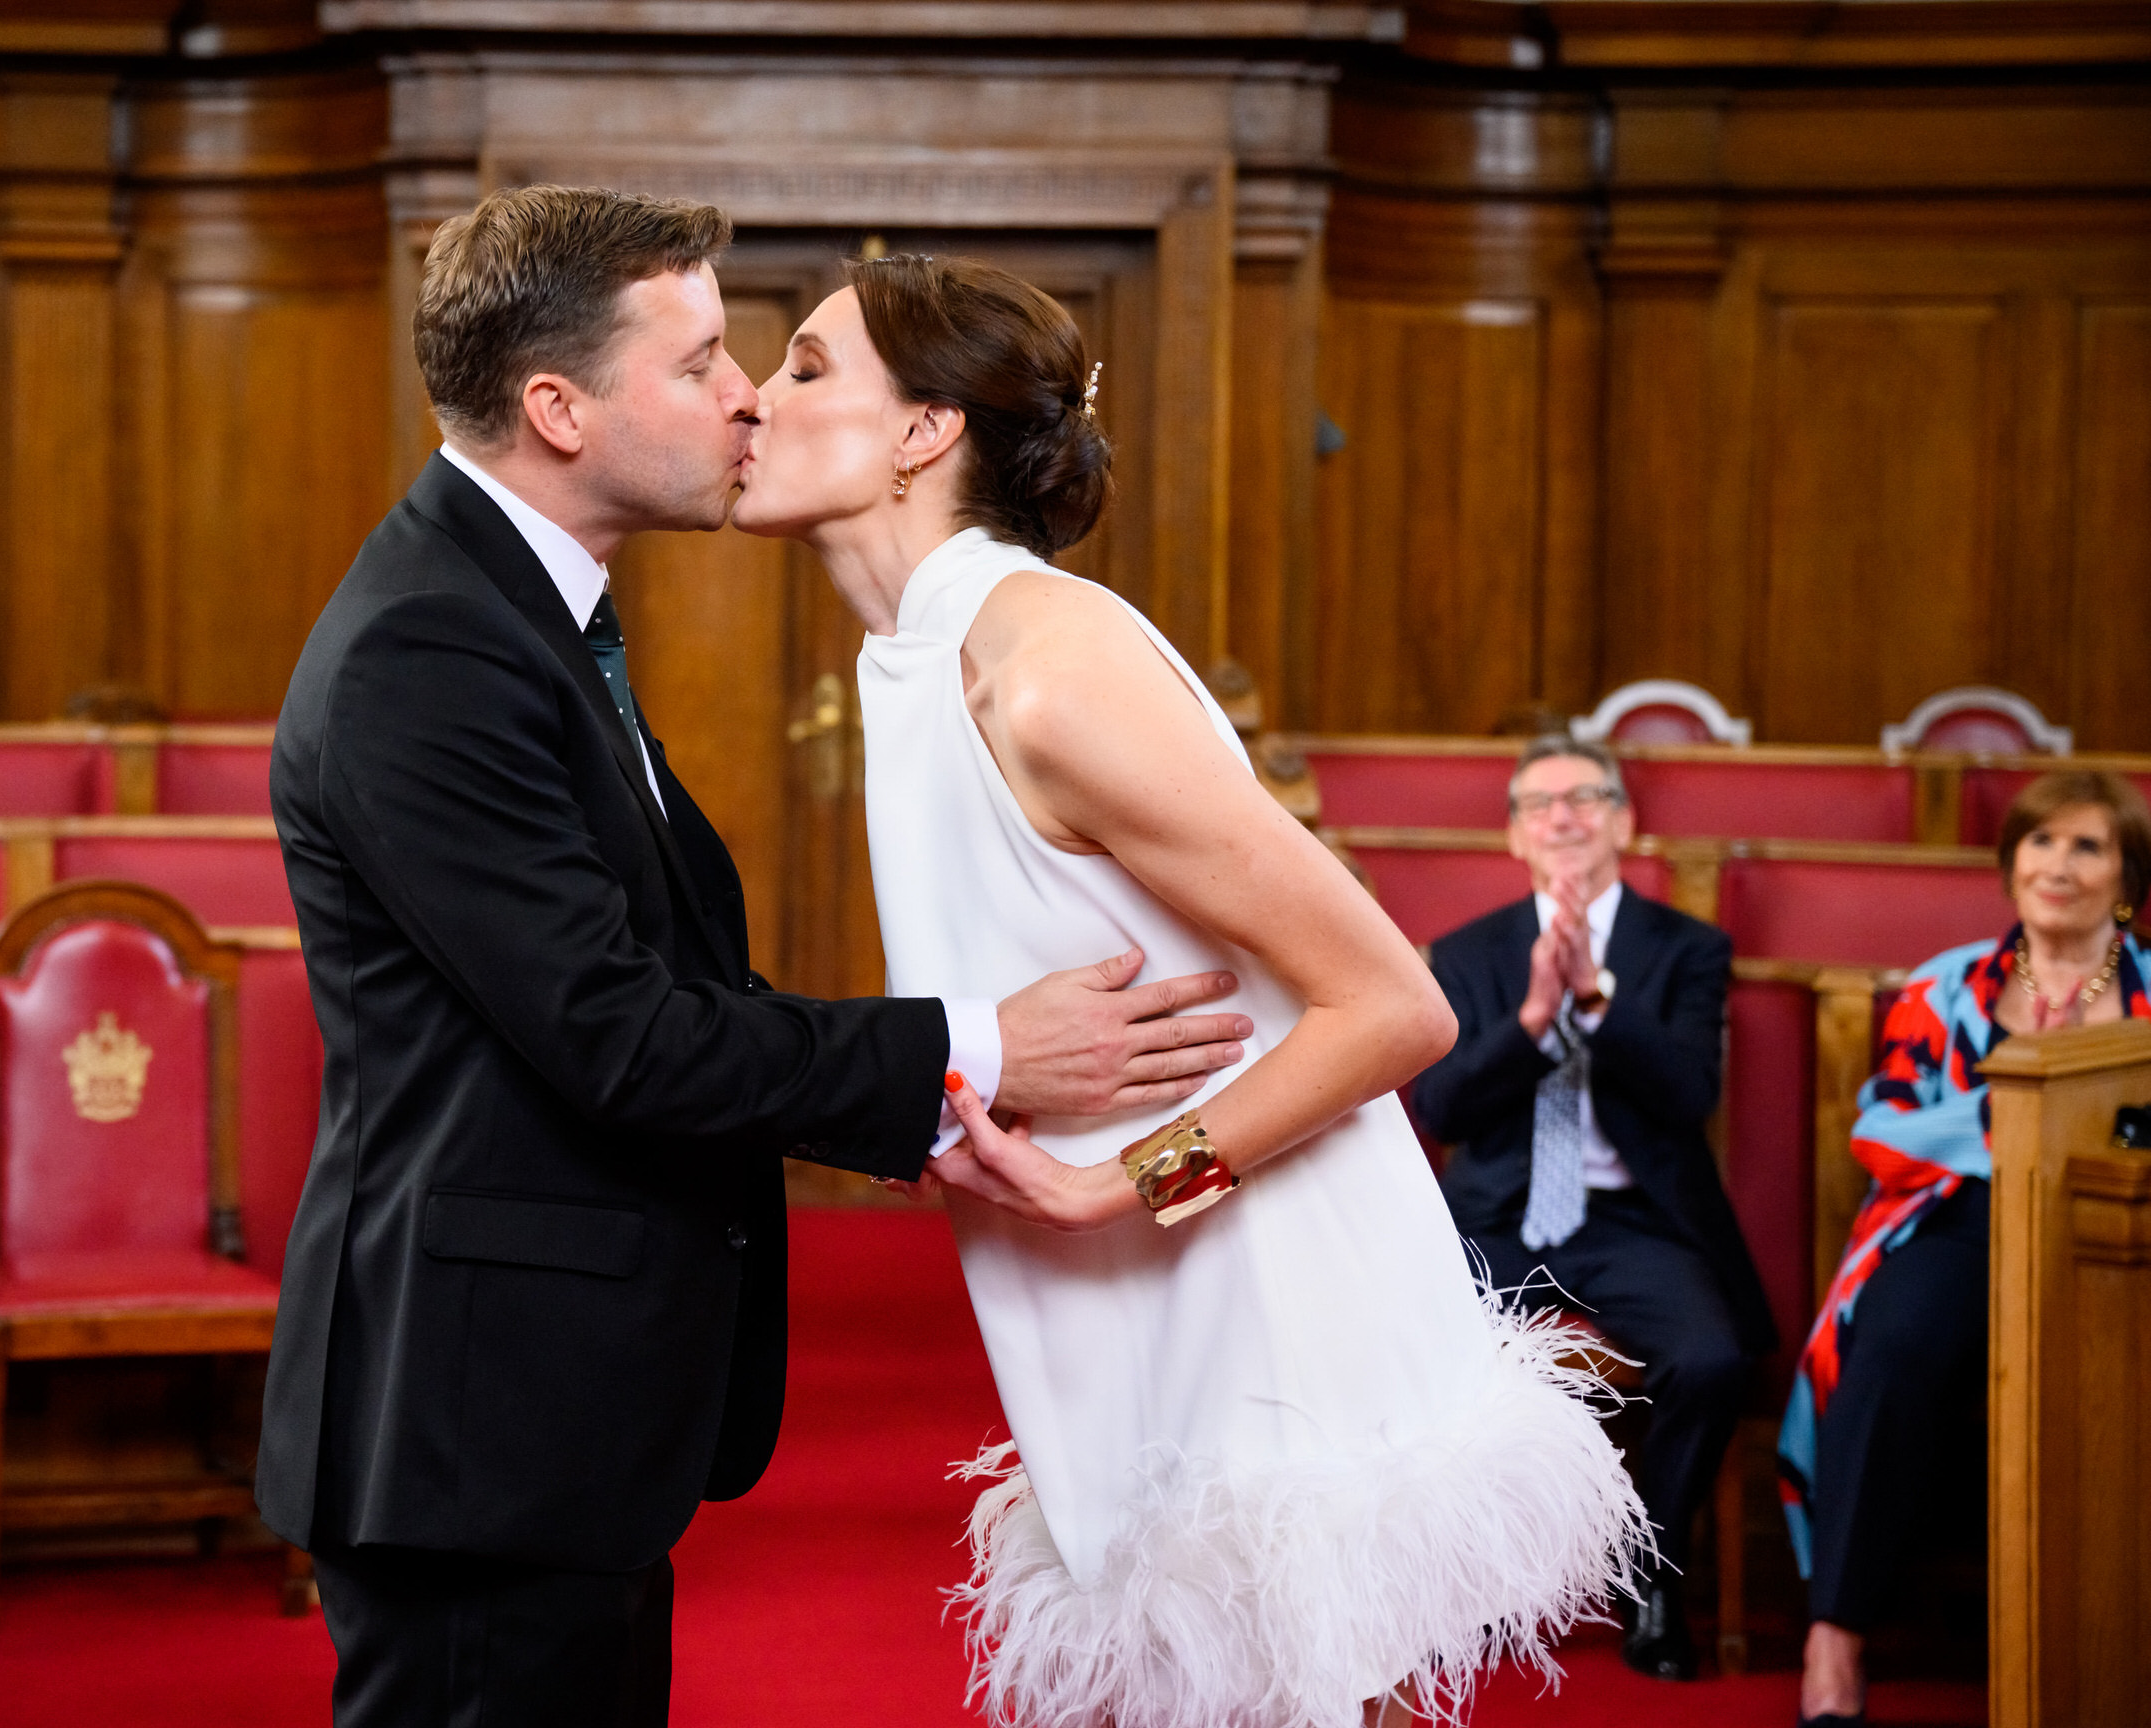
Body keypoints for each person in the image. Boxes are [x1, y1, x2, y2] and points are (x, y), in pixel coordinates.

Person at [255, 188, 1259, 1728]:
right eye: (706, 359)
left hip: (534, 1416)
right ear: (558, 407)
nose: (742, 398)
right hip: (474, 1422)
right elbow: (625, 1037)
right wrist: (973, 1053)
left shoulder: (520, 612)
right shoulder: (432, 646)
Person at [731, 253, 1648, 1728]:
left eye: (807, 369)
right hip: (1131, 1291)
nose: (751, 401)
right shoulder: (921, 661)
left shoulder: (1044, 669)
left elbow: (1400, 1007)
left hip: (1259, 1273)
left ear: (924, 432)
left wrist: (1119, 1189)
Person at [1781, 770, 2150, 1727]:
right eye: (2039, 843)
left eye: (2086, 846)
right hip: (1957, 1218)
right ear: (2009, 863)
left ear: (2127, 877)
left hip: (2116, 1234)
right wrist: (2024, 1115)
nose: (2056, 866)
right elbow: (1887, 1132)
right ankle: (1835, 1644)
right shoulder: (1946, 987)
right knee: (1895, 1344)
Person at [1410, 737, 1776, 1681]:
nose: (1565, 815)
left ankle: (1647, 1567)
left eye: (1586, 797)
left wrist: (1595, 998)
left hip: (1633, 1221)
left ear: (1624, 821)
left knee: (1711, 1357)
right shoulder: (1466, 952)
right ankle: (1475, 1583)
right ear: (1515, 837)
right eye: (1541, 804)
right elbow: (1444, 1109)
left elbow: (1692, 1092)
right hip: (1500, 1215)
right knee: (1415, 1351)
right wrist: (1534, 1020)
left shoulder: (1687, 948)